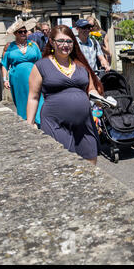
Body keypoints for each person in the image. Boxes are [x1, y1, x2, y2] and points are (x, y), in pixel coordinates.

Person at [26, 25, 104, 166]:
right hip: (55, 123)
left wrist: (100, 99)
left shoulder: (81, 65)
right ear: (51, 42)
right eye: (60, 41)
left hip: (84, 124)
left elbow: (91, 89)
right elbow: (33, 97)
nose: (65, 45)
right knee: (64, 164)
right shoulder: (41, 66)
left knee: (91, 159)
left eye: (69, 41)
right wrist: (29, 123)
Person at [1, 18, 43, 125]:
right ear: (15, 34)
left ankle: (38, 120)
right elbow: (4, 65)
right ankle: (27, 121)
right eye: (20, 32)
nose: (23, 33)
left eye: (25, 31)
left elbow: (40, 62)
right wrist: (5, 79)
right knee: (22, 100)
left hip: (34, 76)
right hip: (17, 79)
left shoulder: (33, 44)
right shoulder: (9, 47)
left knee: (38, 97)